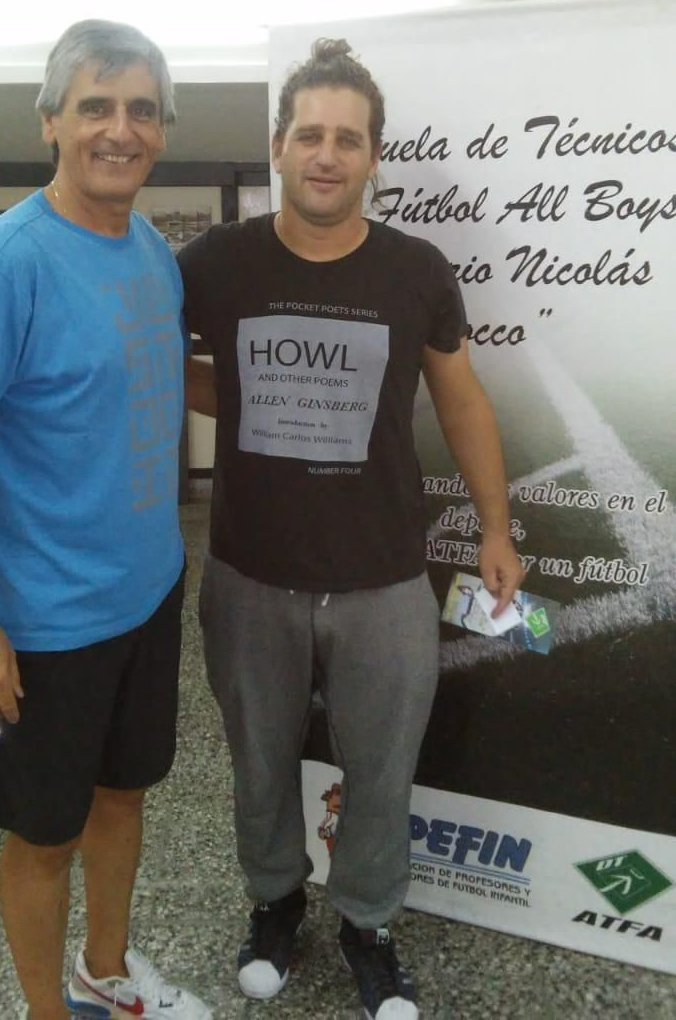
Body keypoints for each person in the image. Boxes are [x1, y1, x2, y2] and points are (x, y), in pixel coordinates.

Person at [180, 39, 524, 1020]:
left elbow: (460, 404)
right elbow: (159, 369)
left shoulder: (415, 271)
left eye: (349, 139)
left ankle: (369, 921)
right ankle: (275, 904)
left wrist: (497, 527)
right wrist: (236, 393)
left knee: (381, 770)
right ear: (280, 148)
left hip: (383, 581)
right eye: (309, 135)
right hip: (251, 575)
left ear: (375, 156)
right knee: (259, 761)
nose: (327, 154)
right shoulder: (213, 264)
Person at [0, 20, 211, 1020]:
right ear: (51, 121)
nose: (118, 130)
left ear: (159, 127)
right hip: (39, 624)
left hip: (148, 590)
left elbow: (154, 383)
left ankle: (105, 973)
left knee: (125, 793)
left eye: (138, 109)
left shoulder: (151, 255)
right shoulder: (4, 263)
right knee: (42, 836)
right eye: (94, 106)